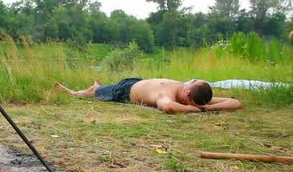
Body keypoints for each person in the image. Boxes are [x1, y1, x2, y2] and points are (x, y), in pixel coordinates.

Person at [54, 77, 243, 113]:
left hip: (141, 84)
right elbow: (166, 106)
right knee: (92, 93)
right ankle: (73, 92)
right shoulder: (167, 94)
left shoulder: (189, 94)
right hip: (126, 89)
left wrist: (208, 106)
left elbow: (235, 103)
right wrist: (198, 109)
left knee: (96, 90)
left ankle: (96, 86)